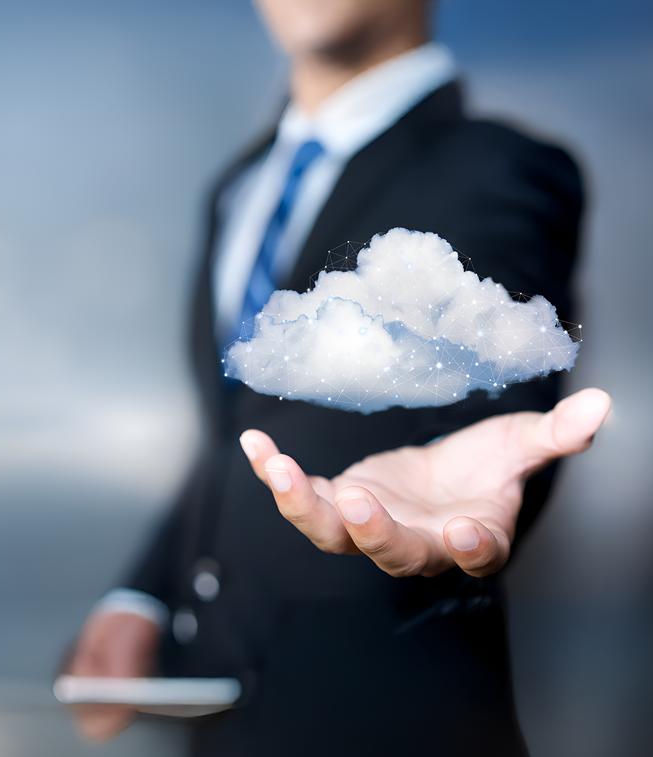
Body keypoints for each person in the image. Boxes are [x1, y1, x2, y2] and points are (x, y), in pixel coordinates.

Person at [64, 1, 610, 754]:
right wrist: (142, 597)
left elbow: (499, 397)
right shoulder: (237, 189)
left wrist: (464, 471)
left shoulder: (499, 167)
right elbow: (234, 434)